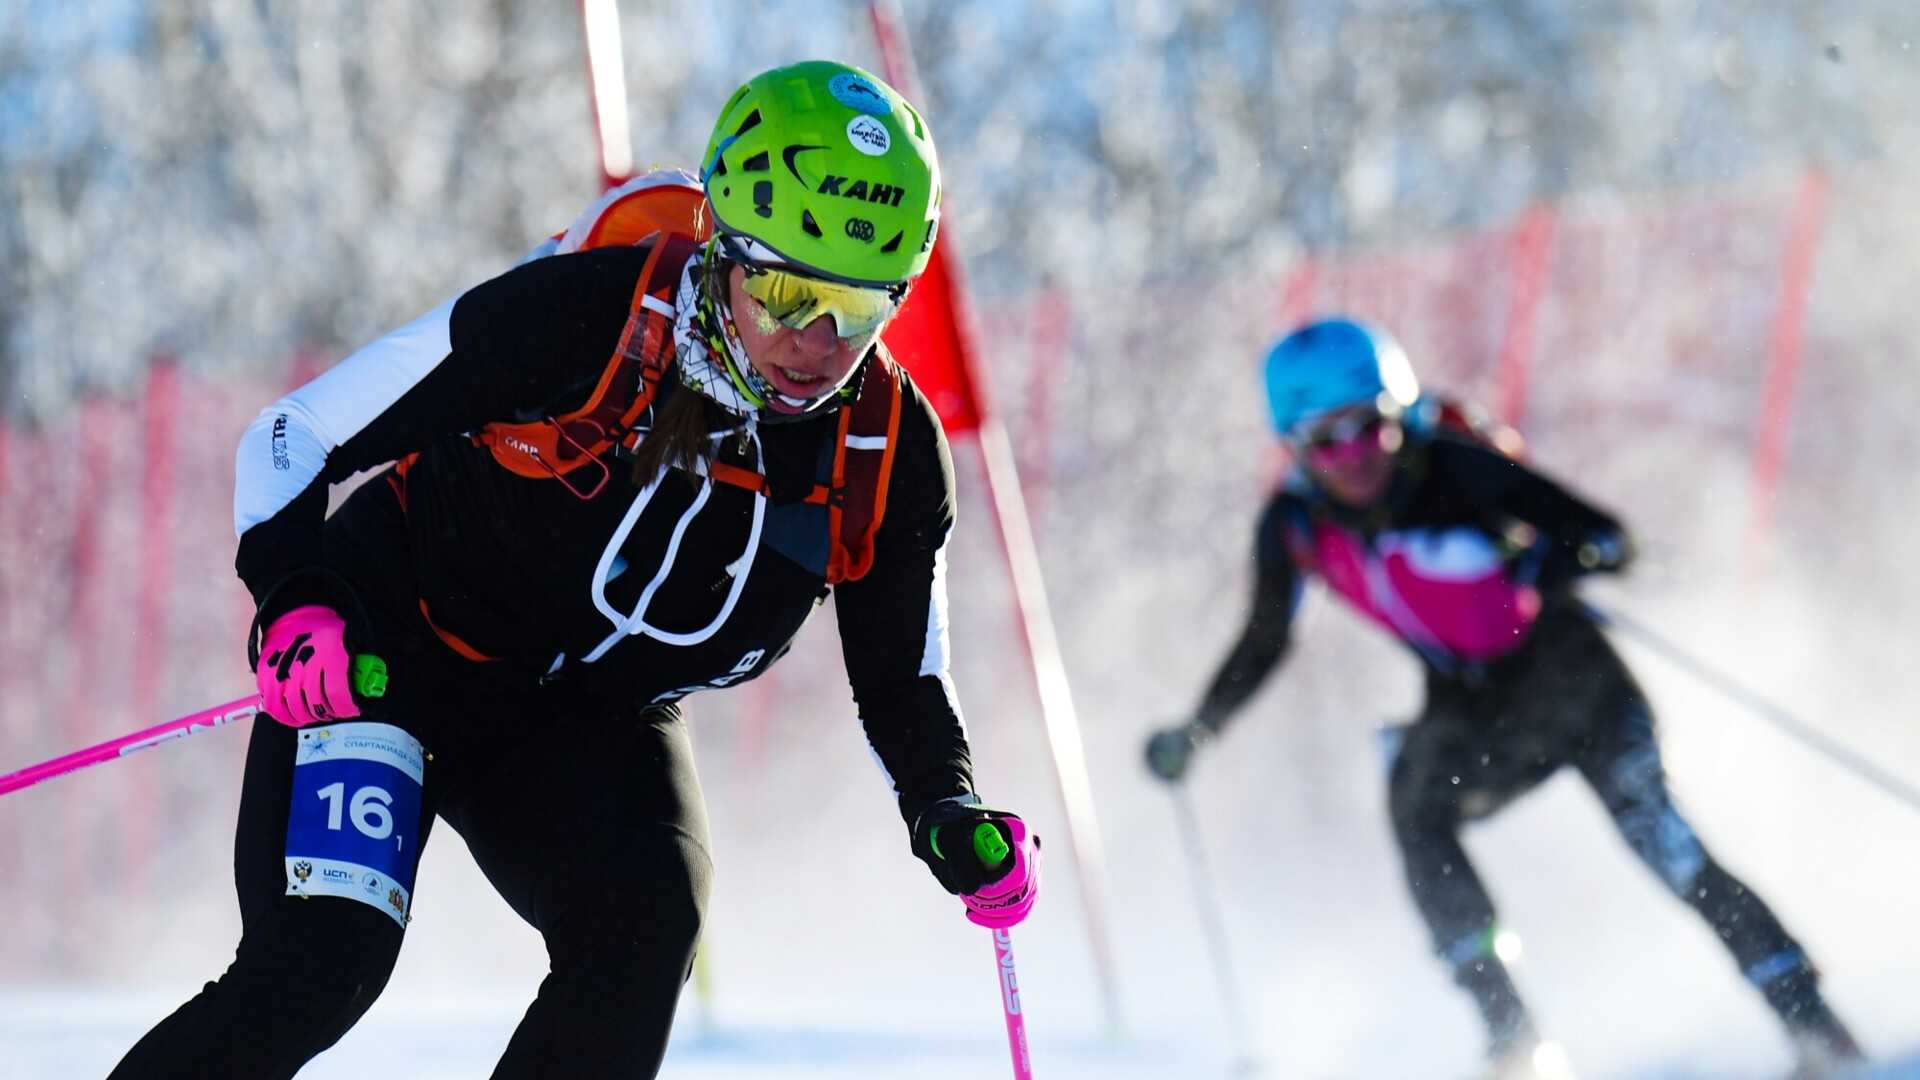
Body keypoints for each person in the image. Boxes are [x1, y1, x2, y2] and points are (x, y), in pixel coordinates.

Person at [111, 60, 1039, 1080]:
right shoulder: (585, 321)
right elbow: (293, 437)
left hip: (582, 723)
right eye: (785, 293)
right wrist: (300, 603)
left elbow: (904, 679)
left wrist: (948, 808)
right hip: (395, 653)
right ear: (726, 248)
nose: (815, 345)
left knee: (647, 920)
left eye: (857, 313)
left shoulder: (887, 452)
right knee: (321, 966)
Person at [1142, 318, 1861, 1078]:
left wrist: (1561, 554)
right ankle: (1513, 1039)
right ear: (1292, 447)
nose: (1352, 456)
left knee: (1667, 847)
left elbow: (1607, 536)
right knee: (1416, 806)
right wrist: (1200, 730)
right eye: (1325, 440)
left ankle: (1815, 1026)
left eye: (1368, 427)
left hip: (1576, 685)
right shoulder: (1294, 525)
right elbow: (1264, 638)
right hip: (1474, 708)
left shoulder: (1456, 468)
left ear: (1401, 417)